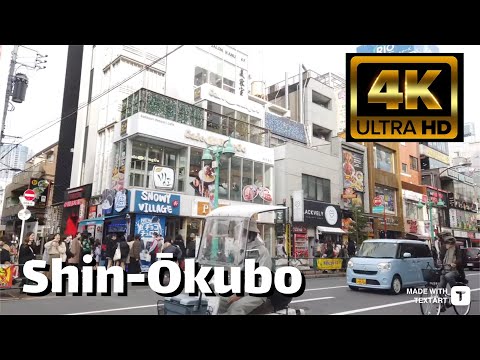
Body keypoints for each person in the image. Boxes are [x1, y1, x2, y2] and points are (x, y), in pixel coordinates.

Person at [218, 219, 272, 315]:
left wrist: (241, 294)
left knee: (236, 308)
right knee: (217, 302)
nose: (241, 236)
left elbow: (260, 281)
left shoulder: (262, 252)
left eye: (243, 232)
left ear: (251, 234)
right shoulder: (241, 249)